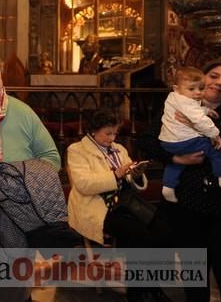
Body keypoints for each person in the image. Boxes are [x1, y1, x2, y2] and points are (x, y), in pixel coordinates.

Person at [0, 50, 61, 302]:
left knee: (16, 290)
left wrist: (20, 181)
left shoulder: (22, 111)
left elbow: (51, 157)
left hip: (15, 213)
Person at [139, 59, 221, 302]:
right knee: (194, 272)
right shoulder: (173, 107)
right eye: (214, 76)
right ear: (200, 78)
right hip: (186, 201)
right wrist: (176, 158)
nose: (219, 83)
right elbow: (146, 142)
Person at [68, 110, 172, 302]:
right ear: (93, 130)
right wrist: (116, 174)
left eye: (115, 133)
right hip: (95, 207)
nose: (112, 138)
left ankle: (151, 287)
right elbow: (83, 185)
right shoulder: (77, 150)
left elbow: (135, 183)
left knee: (161, 230)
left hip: (124, 203)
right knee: (138, 235)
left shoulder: (119, 149)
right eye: (108, 133)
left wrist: (137, 174)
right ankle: (139, 293)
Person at [159, 66, 221, 203]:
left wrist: (206, 111)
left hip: (168, 142)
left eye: (200, 88)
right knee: (215, 151)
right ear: (176, 88)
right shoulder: (188, 104)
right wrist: (215, 134)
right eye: (214, 76)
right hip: (187, 193)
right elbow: (199, 120)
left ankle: (168, 185)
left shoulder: (175, 98)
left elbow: (193, 109)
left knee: (175, 165)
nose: (197, 93)